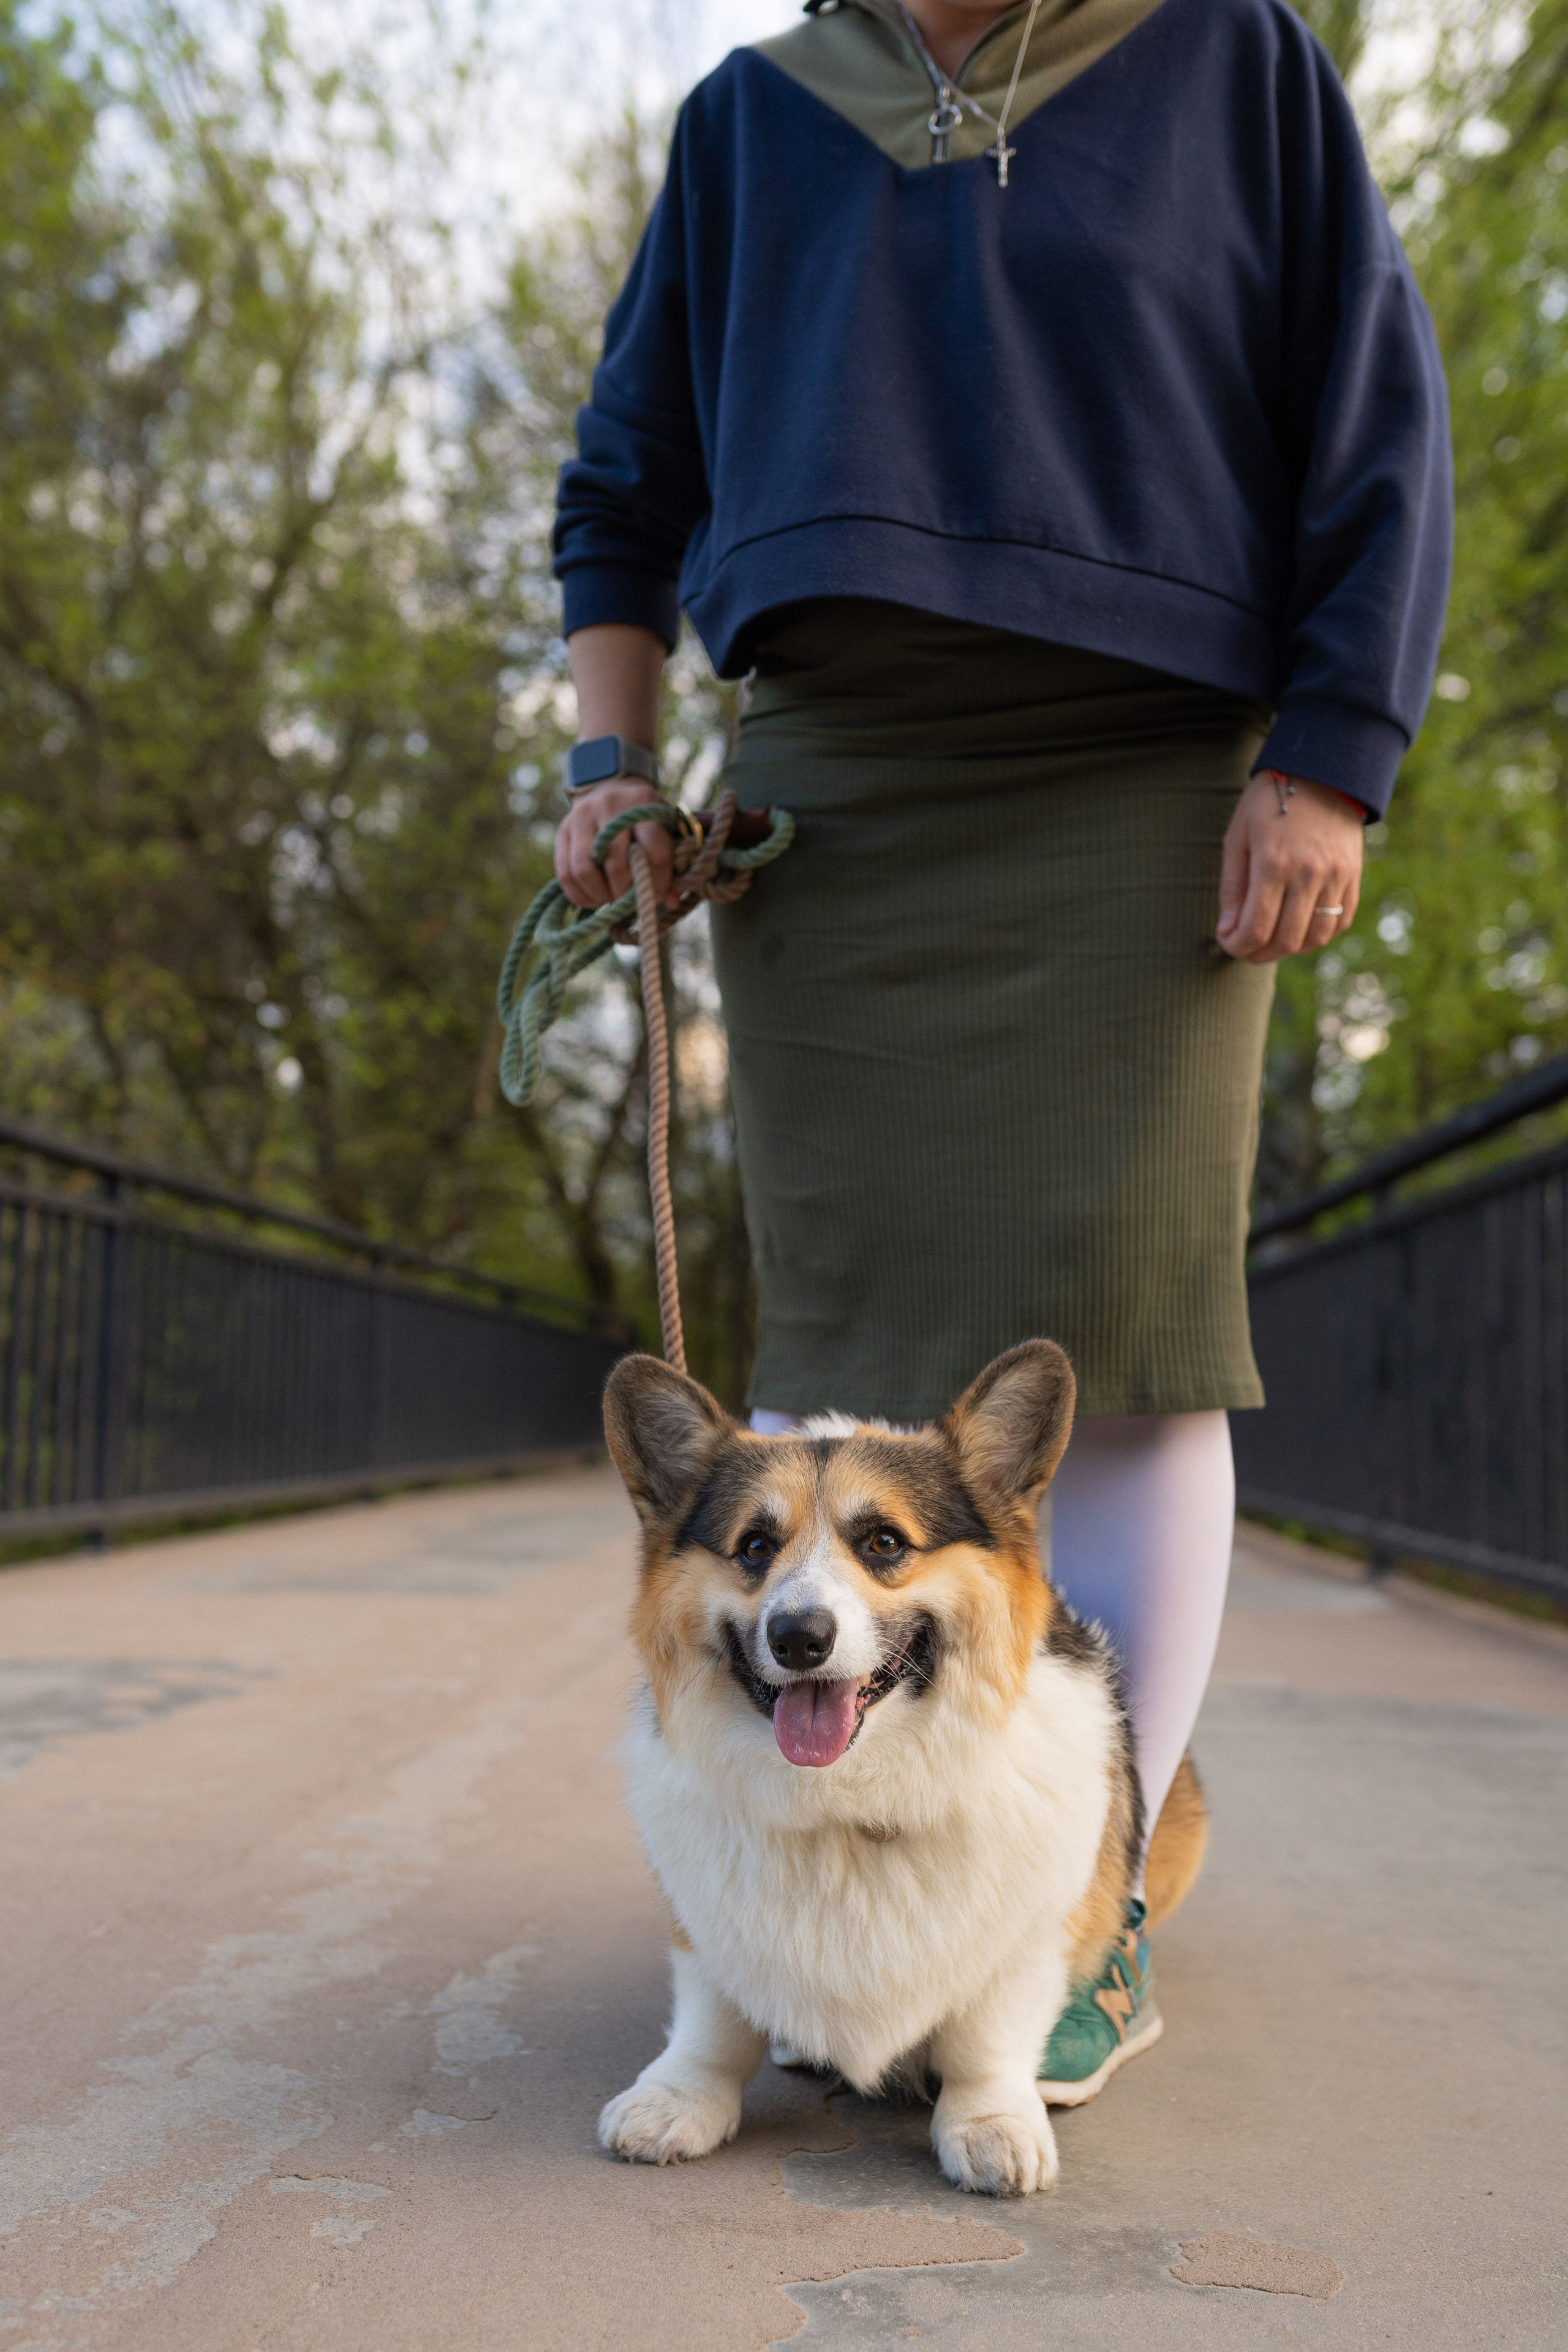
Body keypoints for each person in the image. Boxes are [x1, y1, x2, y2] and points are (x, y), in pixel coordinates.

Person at [549, 0, 1452, 2102]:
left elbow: (1371, 416)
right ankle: (814, 1902)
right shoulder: (753, 115)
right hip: (836, 796)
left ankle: (1086, 1915)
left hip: (1143, 768)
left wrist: (1333, 752)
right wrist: (608, 759)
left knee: (1131, 1348)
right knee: (835, 1344)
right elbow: (630, 472)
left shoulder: (1237, 61)